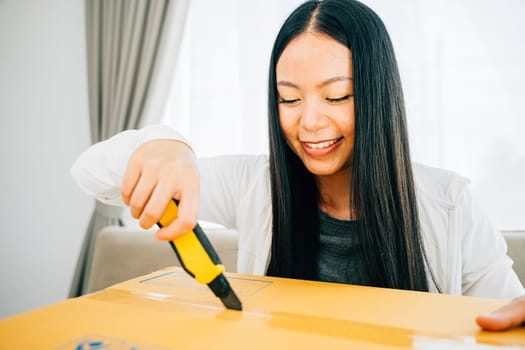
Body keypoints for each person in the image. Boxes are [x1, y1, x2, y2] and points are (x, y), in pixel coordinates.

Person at [71, 0, 524, 330]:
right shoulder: (256, 184)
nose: (308, 121)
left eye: (336, 96)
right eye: (288, 97)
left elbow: (508, 312)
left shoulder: (450, 204)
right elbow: (91, 173)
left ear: (378, 95)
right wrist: (166, 146)